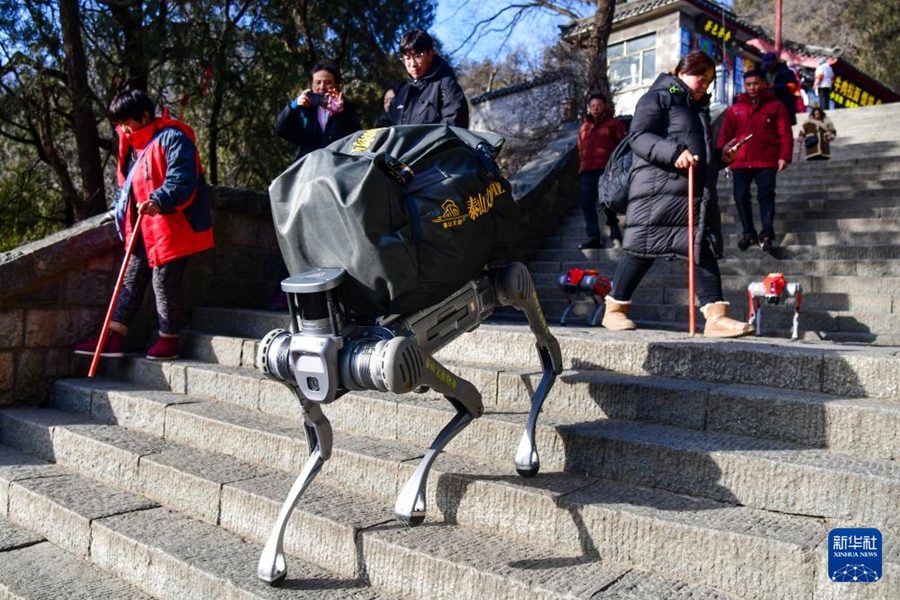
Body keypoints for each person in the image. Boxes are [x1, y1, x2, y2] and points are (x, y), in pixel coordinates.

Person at [600, 50, 753, 339]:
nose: (704, 84)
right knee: (641, 249)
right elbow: (639, 137)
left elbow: (698, 155)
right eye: (700, 77)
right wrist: (674, 153)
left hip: (692, 192)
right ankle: (614, 309)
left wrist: (722, 156)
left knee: (701, 247)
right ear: (681, 72)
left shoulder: (697, 110)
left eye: (709, 81)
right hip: (657, 191)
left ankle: (715, 316)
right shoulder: (658, 97)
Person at [75, 90, 214, 360]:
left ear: (145, 116)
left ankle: (169, 339)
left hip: (172, 227)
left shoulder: (172, 138)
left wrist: (159, 199)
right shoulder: (135, 149)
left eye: (127, 121)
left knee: (164, 281)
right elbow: (127, 189)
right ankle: (113, 336)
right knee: (130, 278)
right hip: (143, 229)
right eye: (119, 123)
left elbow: (183, 179)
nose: (123, 129)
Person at [717, 68, 793, 253]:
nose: (752, 87)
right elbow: (724, 137)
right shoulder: (735, 109)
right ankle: (748, 233)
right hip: (740, 161)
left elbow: (785, 134)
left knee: (766, 196)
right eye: (748, 84)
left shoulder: (776, 106)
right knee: (740, 196)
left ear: (764, 83)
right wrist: (721, 160)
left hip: (766, 160)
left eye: (756, 83)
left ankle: (767, 233)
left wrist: (784, 156)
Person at [274, 61, 362, 162]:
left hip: (337, 167)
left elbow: (357, 137)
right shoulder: (304, 109)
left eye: (327, 82)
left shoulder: (347, 109)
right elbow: (280, 129)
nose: (322, 87)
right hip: (308, 168)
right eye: (317, 82)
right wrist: (293, 106)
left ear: (336, 85)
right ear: (311, 85)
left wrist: (340, 113)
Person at [383, 28, 469, 128]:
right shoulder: (401, 92)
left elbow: (454, 123)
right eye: (407, 58)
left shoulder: (445, 84)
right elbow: (384, 125)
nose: (413, 64)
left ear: (431, 53)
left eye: (418, 56)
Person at [577, 93, 627, 249]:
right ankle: (594, 238)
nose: (595, 108)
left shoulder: (613, 123)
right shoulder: (585, 126)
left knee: (606, 202)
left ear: (604, 106)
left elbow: (623, 146)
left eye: (598, 105)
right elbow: (580, 147)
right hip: (586, 170)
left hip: (605, 170)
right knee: (586, 204)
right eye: (592, 106)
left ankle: (615, 231)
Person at [761, 51, 801, 125]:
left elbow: (793, 87)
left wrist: (776, 87)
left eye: (770, 64)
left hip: (784, 106)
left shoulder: (786, 72)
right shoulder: (762, 73)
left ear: (775, 62)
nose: (768, 67)